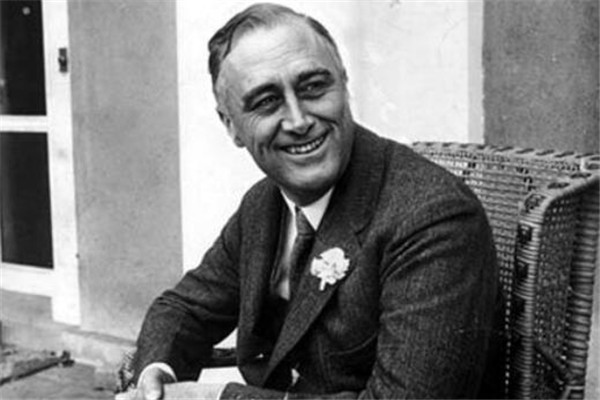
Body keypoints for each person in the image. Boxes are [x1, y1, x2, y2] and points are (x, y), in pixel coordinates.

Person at [124, 3, 500, 399]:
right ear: (230, 125)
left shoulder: (432, 218)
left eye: (313, 87)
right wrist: (156, 372)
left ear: (344, 83)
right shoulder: (264, 204)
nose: (299, 120)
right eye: (266, 102)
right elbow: (185, 307)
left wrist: (216, 398)